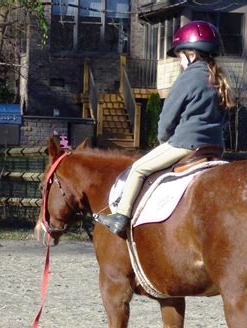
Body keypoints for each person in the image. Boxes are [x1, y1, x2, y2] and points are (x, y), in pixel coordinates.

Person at [95, 21, 234, 238]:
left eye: (179, 56)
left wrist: (164, 139)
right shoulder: (218, 78)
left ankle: (120, 218)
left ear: (190, 54)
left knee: (139, 168)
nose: (179, 63)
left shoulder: (189, 76)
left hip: (186, 144)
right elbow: (224, 117)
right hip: (215, 147)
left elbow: (167, 118)